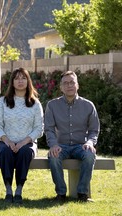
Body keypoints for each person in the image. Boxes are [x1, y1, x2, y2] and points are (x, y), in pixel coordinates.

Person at [44, 71, 100, 202]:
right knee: (53, 157)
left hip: (81, 145)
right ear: (61, 87)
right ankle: (61, 194)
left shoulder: (88, 105)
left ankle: (82, 194)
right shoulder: (52, 105)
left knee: (89, 155)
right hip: (61, 146)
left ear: (77, 85)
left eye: (72, 82)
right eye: (66, 83)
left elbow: (94, 130)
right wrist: (53, 145)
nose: (69, 85)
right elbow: (49, 129)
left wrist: (90, 143)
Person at [0, 68, 44, 204]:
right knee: (5, 152)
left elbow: (39, 128)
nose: (20, 81)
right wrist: (7, 141)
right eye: (17, 78)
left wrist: (23, 143)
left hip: (28, 143)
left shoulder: (35, 103)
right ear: (12, 83)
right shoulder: (3, 102)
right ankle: (8, 190)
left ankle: (19, 190)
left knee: (25, 152)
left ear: (28, 81)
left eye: (23, 78)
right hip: (6, 141)